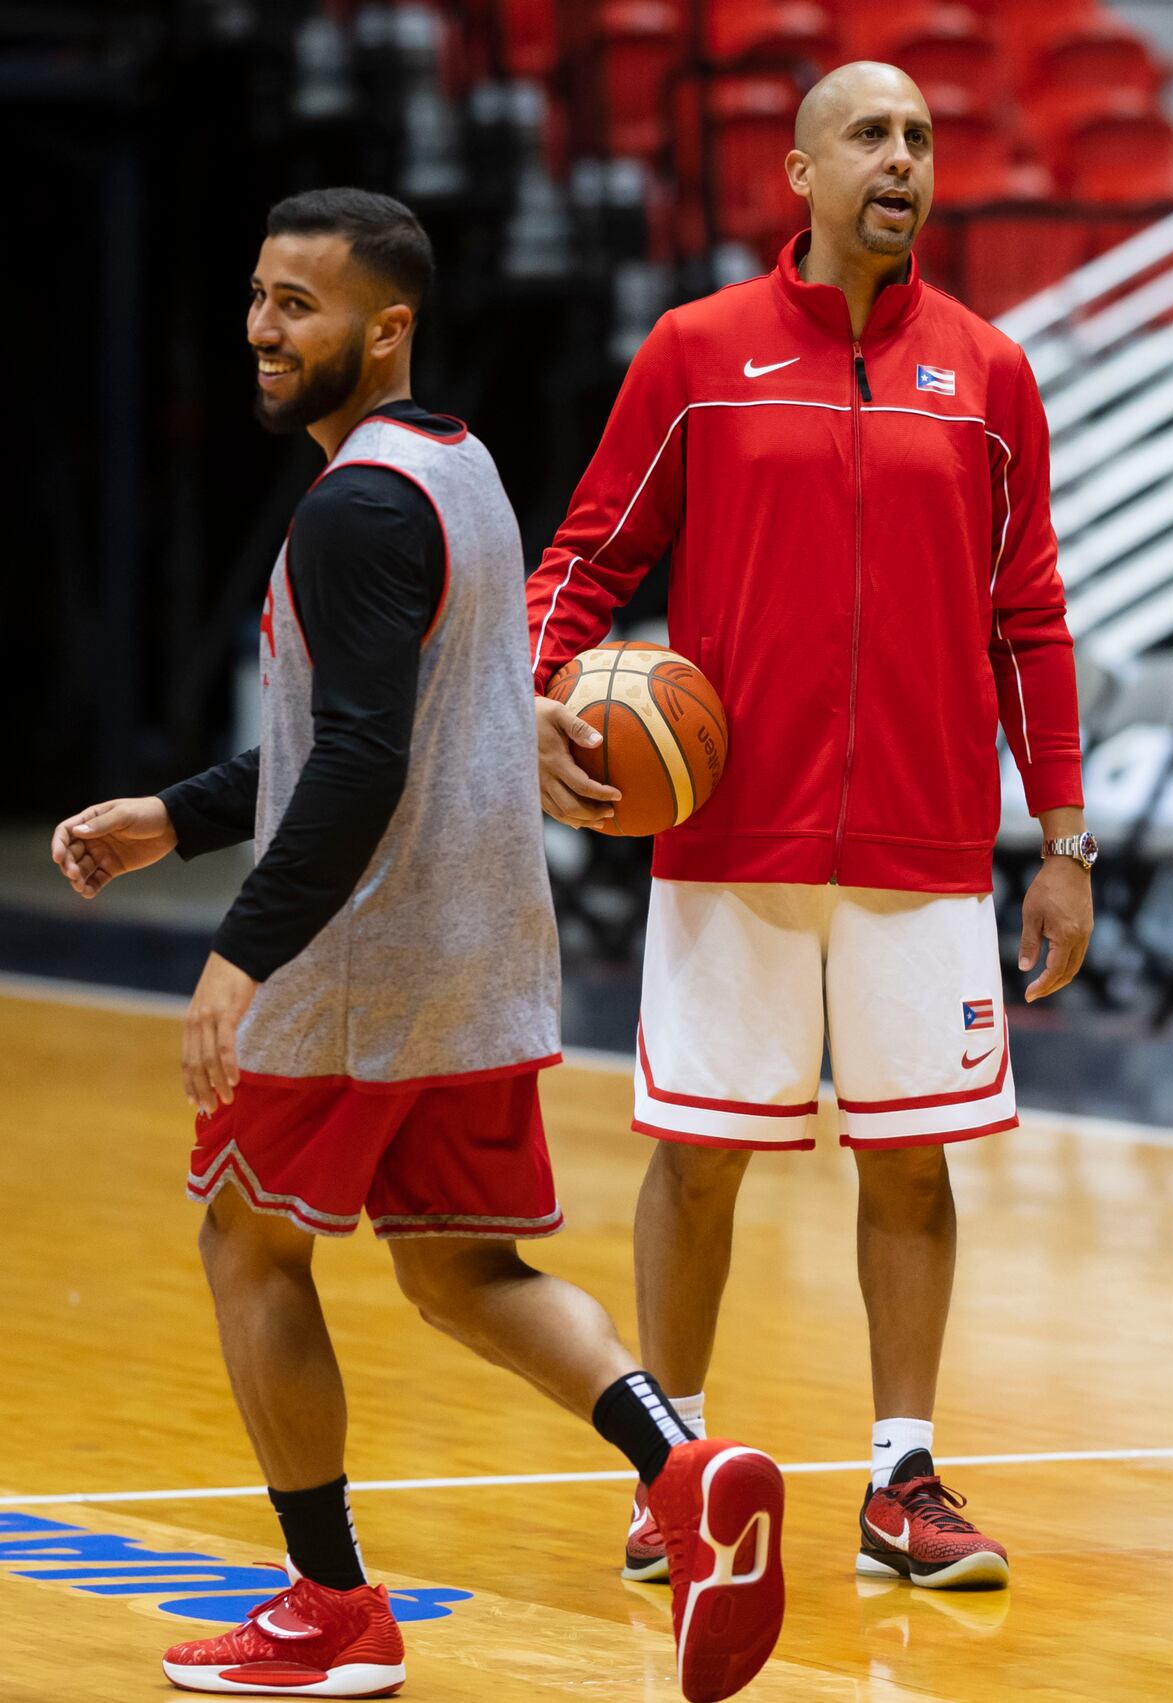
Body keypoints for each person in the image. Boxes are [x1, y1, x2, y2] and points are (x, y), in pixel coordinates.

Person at [50, 189, 786, 1703]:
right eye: (257, 297)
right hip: (478, 953)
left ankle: (330, 1608)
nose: (264, 330)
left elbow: (362, 764)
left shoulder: (352, 510)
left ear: (386, 327)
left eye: (299, 306)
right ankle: (679, 1468)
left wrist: (237, 952)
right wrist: (172, 819)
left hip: (358, 964)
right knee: (463, 1273)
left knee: (245, 1242)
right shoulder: (458, 466)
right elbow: (394, 735)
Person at [524, 63, 1091, 1591]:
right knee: (699, 1159)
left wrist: (1063, 838)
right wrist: (528, 695)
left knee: (912, 1165)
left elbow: (1029, 619)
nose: (901, 160)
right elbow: (586, 557)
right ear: (799, 171)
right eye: (871, 136)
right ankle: (678, 1470)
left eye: (919, 138)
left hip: (923, 848)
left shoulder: (989, 372)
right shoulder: (697, 353)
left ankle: (904, 1480)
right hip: (731, 840)